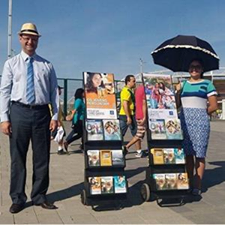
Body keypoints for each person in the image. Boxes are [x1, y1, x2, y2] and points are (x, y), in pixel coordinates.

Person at [0, 23, 59, 213]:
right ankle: (17, 197)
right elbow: (4, 92)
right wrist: (4, 118)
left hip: (42, 114)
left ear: (38, 41)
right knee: (18, 158)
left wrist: (55, 116)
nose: (30, 41)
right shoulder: (11, 64)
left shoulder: (47, 65)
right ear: (20, 38)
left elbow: (53, 93)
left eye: (33, 38)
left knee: (42, 158)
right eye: (26, 37)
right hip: (18, 113)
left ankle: (39, 196)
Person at [176, 59, 218, 196]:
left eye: (197, 67)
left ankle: (197, 185)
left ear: (202, 69)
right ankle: (187, 182)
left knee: (199, 155)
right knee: (187, 154)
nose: (194, 69)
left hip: (200, 122)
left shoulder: (208, 84)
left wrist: (200, 114)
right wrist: (177, 92)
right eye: (192, 66)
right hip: (184, 122)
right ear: (188, 69)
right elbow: (176, 105)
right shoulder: (183, 84)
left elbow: (213, 106)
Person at [119, 75, 141, 155]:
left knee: (136, 133)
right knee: (120, 134)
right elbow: (125, 104)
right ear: (128, 82)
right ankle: (118, 149)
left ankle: (139, 151)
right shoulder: (125, 91)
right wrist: (128, 117)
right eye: (133, 81)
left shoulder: (129, 91)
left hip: (131, 114)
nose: (135, 83)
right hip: (125, 116)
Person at [124, 84, 147, 157]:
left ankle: (129, 147)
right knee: (139, 134)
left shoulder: (138, 89)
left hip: (138, 113)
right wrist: (145, 117)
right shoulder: (144, 89)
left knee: (141, 133)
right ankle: (126, 147)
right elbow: (144, 104)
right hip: (142, 115)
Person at [51, 86, 67, 155]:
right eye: (60, 90)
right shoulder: (53, 99)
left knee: (61, 134)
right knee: (53, 135)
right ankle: (42, 147)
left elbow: (59, 110)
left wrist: (64, 116)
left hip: (59, 120)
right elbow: (52, 110)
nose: (61, 91)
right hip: (56, 121)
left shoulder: (57, 100)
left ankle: (60, 149)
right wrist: (56, 120)